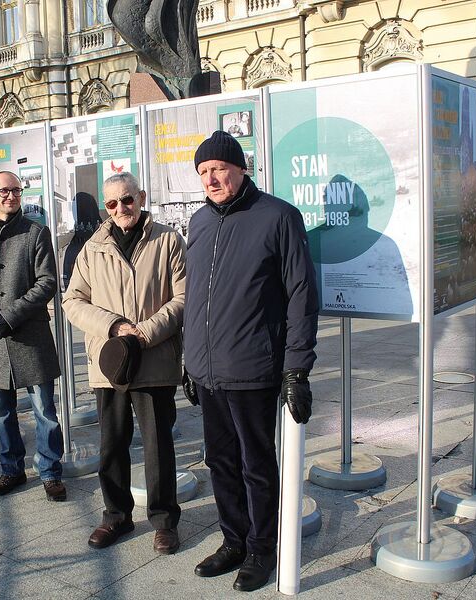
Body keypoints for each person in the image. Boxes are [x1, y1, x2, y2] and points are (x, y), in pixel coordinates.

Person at [184, 131, 318, 592]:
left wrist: (297, 369)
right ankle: (234, 540)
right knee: (219, 461)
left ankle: (264, 549)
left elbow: (302, 295)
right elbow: (196, 296)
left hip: (254, 368)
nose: (211, 178)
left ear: (241, 169)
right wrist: (190, 359)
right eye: (203, 172)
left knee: (256, 465)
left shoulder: (277, 216)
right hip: (209, 372)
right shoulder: (200, 222)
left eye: (219, 168)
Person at [63, 172, 186, 554]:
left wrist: (144, 333)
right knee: (111, 445)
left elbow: (183, 298)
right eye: (112, 203)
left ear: (141, 197)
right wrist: (115, 326)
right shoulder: (92, 247)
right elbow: (72, 301)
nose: (121, 209)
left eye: (127, 200)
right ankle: (116, 515)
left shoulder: (168, 240)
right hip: (111, 363)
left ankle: (164, 521)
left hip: (154, 359)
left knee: (158, 446)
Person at [0, 171, 66, 502]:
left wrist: (10, 315)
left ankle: (50, 471)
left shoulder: (36, 233)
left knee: (44, 411)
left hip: (30, 337)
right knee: (1, 411)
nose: (10, 196)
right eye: (3, 191)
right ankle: (11, 469)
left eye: (15, 190)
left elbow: (47, 281)